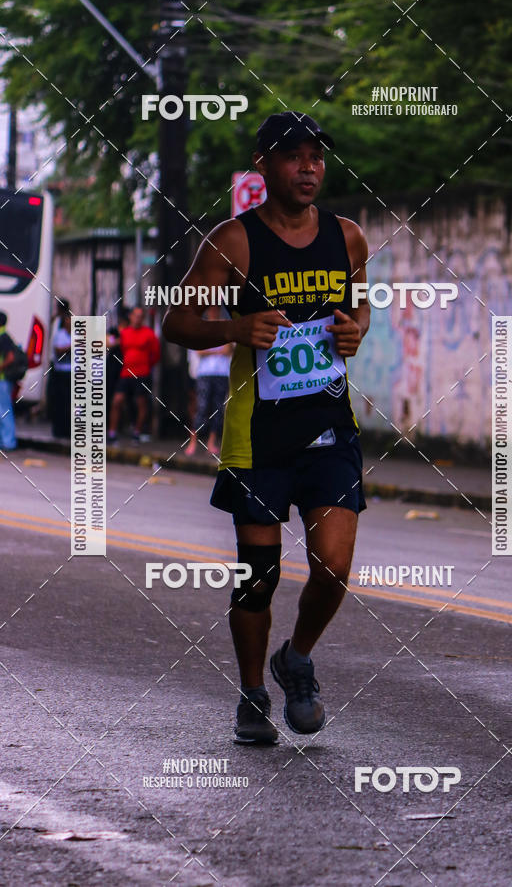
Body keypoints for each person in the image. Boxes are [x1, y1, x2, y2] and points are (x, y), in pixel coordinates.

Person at [163, 111, 370, 745]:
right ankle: (253, 692)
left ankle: (297, 659)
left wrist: (355, 330)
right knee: (258, 574)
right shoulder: (234, 241)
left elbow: (358, 309)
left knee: (332, 567)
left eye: (316, 156)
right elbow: (178, 323)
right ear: (264, 166)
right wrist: (232, 328)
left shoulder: (349, 237)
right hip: (258, 432)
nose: (308, 166)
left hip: (329, 424)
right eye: (292, 156)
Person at [108, 306, 160, 444]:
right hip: (126, 373)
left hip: (142, 373)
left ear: (142, 318)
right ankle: (112, 433)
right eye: (135, 315)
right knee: (117, 400)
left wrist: (146, 366)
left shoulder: (149, 334)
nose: (137, 318)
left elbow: (155, 354)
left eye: (140, 316)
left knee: (141, 403)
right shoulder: (124, 333)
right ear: (130, 317)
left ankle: (137, 431)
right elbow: (114, 345)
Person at [185, 308, 232, 457]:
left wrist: (210, 349)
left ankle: (211, 442)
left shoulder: (225, 325)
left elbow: (228, 349)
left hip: (222, 372)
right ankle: (193, 441)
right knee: (201, 407)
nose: (213, 311)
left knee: (218, 409)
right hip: (204, 373)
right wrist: (217, 350)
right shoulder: (201, 327)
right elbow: (199, 350)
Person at [50, 308, 72, 438]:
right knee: (61, 403)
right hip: (61, 373)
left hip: (73, 372)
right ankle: (59, 430)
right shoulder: (60, 335)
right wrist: (71, 346)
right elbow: (58, 350)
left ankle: (70, 430)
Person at [0, 310, 17, 451]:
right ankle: (4, 441)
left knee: (5, 411)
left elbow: (10, 357)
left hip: (3, 380)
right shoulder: (4, 335)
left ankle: (8, 442)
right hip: (3, 380)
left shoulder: (3, 337)